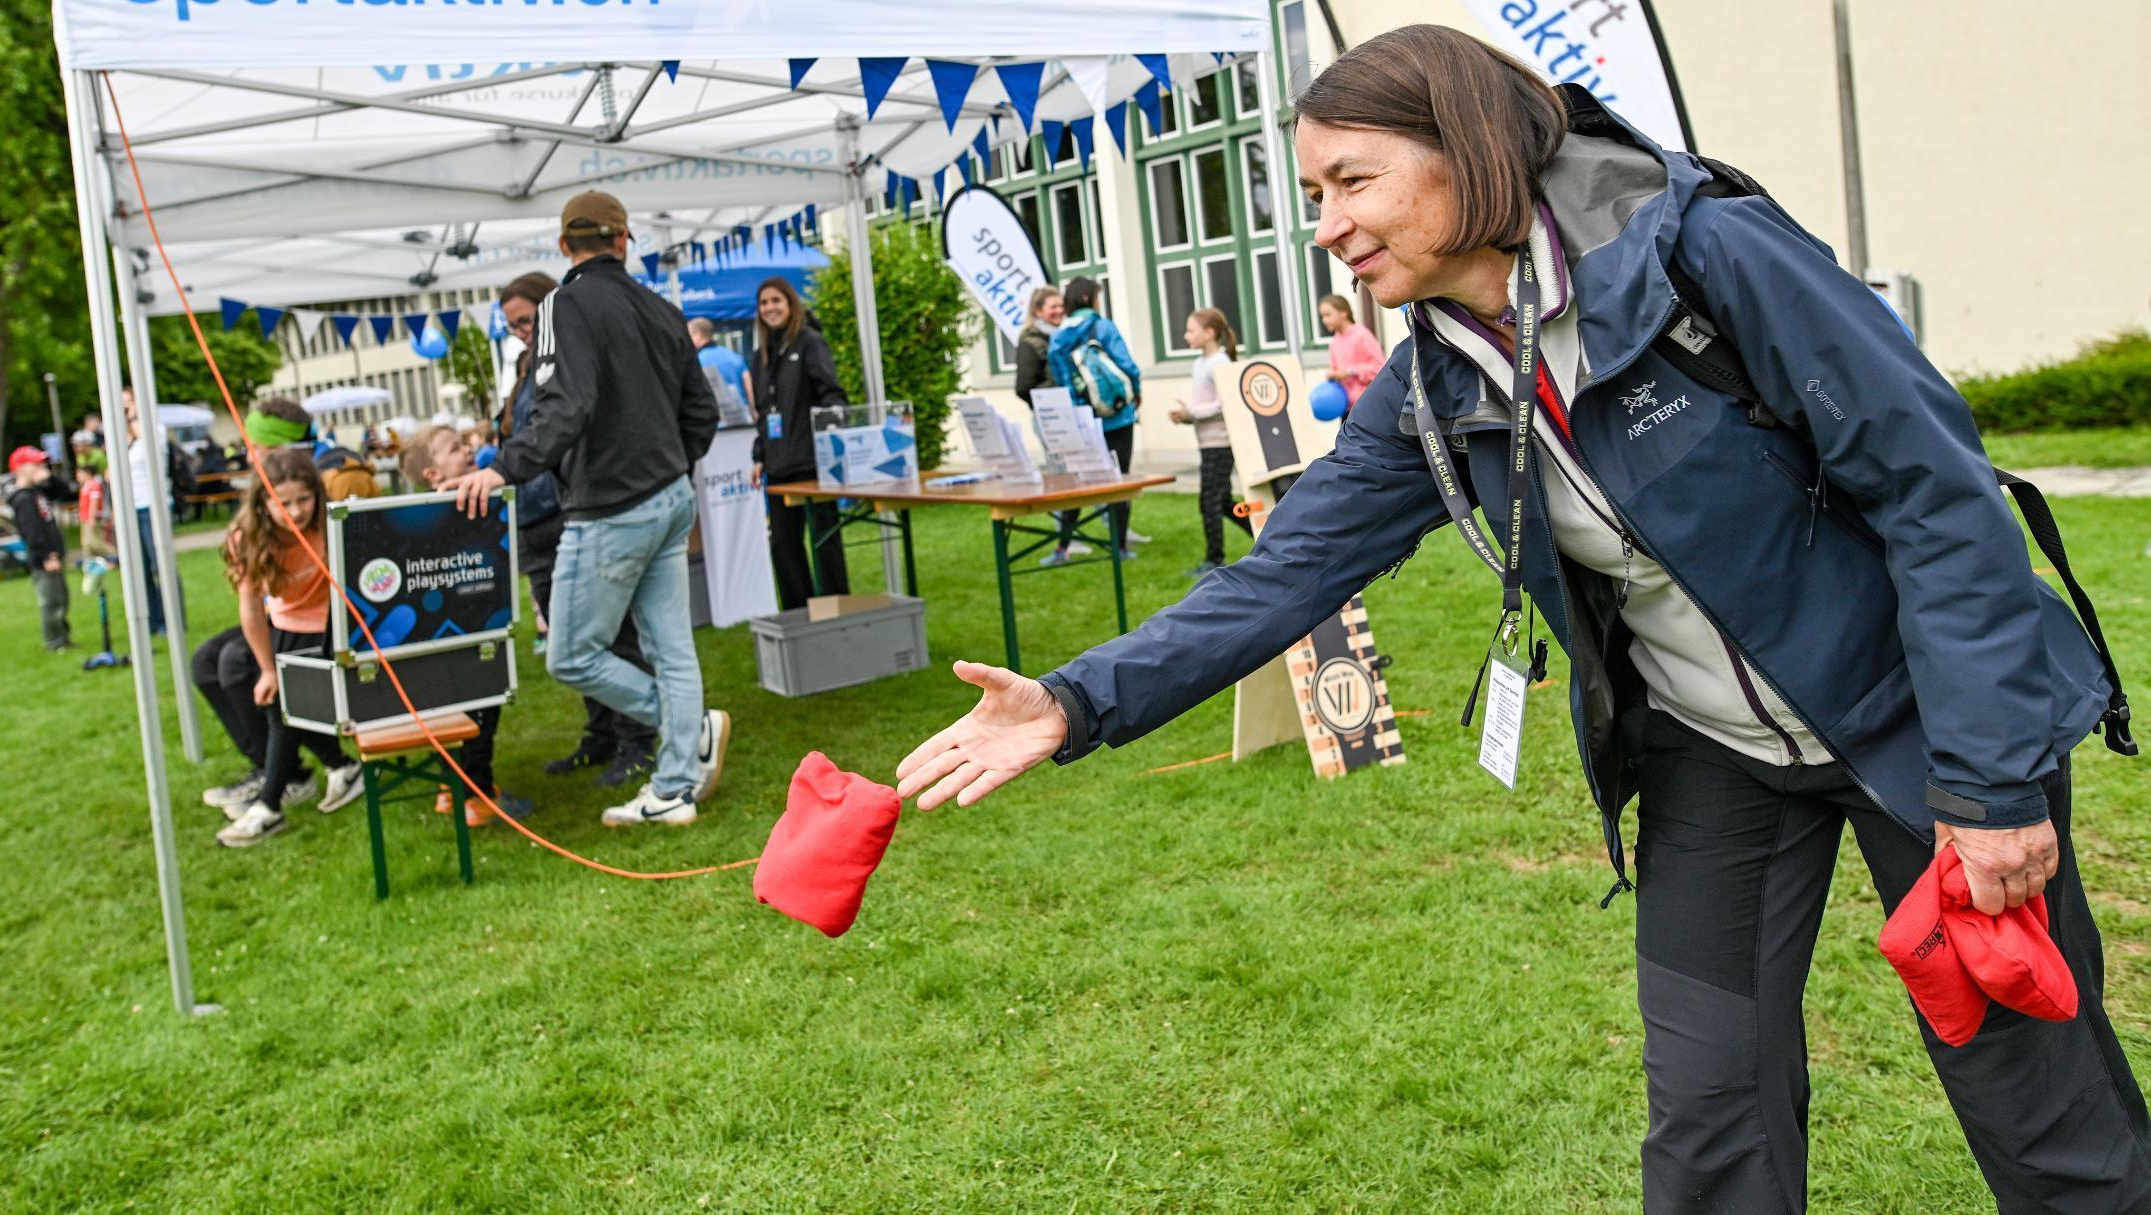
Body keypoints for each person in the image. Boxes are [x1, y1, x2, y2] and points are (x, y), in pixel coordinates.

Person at [895, 26, 2149, 1213]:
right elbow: (1282, 576)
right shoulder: (1434, 380)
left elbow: (1938, 498)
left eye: (1352, 182)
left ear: (1469, 148)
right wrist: (1074, 702)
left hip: (1920, 720)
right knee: (1708, 1111)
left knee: (2036, 1102)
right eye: (1314, 194)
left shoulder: (1705, 254)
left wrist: (1989, 787)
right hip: (1719, 756)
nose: (1326, 227)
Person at [448, 190, 729, 828]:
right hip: (668, 496)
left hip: (611, 508)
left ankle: (686, 737)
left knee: (571, 654)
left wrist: (501, 468)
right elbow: (702, 413)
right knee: (672, 649)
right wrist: (668, 463)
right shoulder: (662, 309)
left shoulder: (563, 306)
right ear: (624, 240)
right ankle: (674, 787)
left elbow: (564, 407)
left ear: (563, 245)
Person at [494, 271, 662, 789]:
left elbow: (561, 430)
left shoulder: (573, 357)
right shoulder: (527, 366)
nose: (521, 331)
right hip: (533, 520)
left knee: (610, 635)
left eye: (526, 320)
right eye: (512, 326)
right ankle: (603, 733)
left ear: (549, 308)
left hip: (572, 513)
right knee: (568, 638)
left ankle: (639, 738)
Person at [215, 449, 366, 847]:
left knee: (285, 703)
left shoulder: (332, 521)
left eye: (304, 499)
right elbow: (250, 606)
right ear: (263, 503)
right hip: (285, 624)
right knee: (260, 686)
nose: (296, 511)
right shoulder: (246, 537)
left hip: (335, 624)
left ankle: (269, 805)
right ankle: (337, 766)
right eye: (283, 503)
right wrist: (267, 668)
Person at [398, 424, 532, 824]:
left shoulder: (432, 513)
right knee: (476, 713)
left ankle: (450, 787)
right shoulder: (448, 513)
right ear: (433, 474)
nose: (468, 450)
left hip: (465, 629)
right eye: (455, 449)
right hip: (465, 632)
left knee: (458, 711)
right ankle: (476, 796)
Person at [196, 394, 323, 812]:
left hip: (314, 620)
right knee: (205, 662)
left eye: (258, 447)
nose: (250, 455)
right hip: (282, 613)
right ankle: (270, 769)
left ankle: (285, 777)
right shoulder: (260, 506)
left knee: (237, 664)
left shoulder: (319, 486)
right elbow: (250, 600)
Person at [749, 275, 851, 610]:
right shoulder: (761, 355)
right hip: (778, 467)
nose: (770, 308)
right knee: (783, 545)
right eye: (764, 303)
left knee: (825, 542)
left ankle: (836, 613)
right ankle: (799, 615)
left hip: (813, 464)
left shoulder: (810, 342)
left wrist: (828, 437)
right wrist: (759, 456)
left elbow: (832, 394)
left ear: (790, 304)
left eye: (776, 301)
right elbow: (764, 412)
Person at [1046, 276, 1146, 555]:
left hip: (1081, 420)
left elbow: (1060, 379)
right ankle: (1119, 547)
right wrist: (1135, 393)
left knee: (1077, 483)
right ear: (1088, 298)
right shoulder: (1102, 326)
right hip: (1116, 416)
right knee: (1119, 482)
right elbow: (1127, 365)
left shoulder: (1058, 336)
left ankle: (1062, 546)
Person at [1168, 309, 1251, 580]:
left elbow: (1224, 404)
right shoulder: (1199, 364)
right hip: (1207, 442)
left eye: (1191, 330)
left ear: (1209, 333)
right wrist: (1186, 417)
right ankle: (1264, 534)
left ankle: (1214, 558)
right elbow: (1205, 405)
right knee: (1224, 502)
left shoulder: (1220, 362)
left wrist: (1192, 412)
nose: (1186, 335)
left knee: (1209, 502)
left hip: (1221, 443)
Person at [1012, 285, 1091, 569]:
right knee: (1061, 478)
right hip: (1050, 418)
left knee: (1080, 474)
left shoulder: (1066, 335)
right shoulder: (1030, 341)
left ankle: (1080, 536)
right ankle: (1065, 540)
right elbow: (1023, 386)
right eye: (1052, 307)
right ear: (1038, 311)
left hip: (1073, 414)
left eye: (1061, 306)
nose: (1059, 311)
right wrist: (1047, 403)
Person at [8, 446, 75, 652]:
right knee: (51, 601)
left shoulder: (38, 491)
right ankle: (54, 642)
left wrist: (50, 477)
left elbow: (65, 492)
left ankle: (63, 638)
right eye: (35, 464)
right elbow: (32, 531)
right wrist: (47, 556)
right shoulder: (22, 498)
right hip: (43, 558)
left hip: (53, 555)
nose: (41, 467)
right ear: (20, 469)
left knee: (61, 598)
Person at [120, 389, 174, 635]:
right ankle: (152, 620)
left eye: (128, 404)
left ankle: (172, 619)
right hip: (131, 509)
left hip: (152, 506)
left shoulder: (154, 430)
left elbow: (151, 446)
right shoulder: (125, 438)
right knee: (140, 569)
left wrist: (134, 417)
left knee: (160, 564)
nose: (124, 410)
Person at [1318, 293, 1385, 411]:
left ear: (1344, 313)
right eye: (1322, 316)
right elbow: (1336, 369)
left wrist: (1352, 371)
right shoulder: (1334, 342)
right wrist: (1333, 375)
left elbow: (1380, 367)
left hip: (1368, 405)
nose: (1324, 320)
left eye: (1328, 315)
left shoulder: (1362, 335)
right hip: (1346, 408)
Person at [688, 317, 751, 409]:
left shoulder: (697, 361)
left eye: (690, 335)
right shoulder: (733, 355)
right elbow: (748, 385)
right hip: (741, 412)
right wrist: (752, 409)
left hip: (713, 414)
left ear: (699, 334)